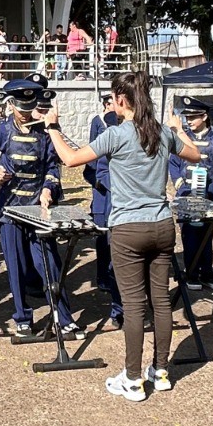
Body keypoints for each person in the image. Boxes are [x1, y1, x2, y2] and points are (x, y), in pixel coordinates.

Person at [41, 70, 201, 401]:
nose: (111, 104)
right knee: (159, 301)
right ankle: (160, 371)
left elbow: (70, 159)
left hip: (129, 228)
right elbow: (195, 155)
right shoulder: (160, 133)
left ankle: (131, 378)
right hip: (162, 226)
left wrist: (53, 128)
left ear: (122, 100)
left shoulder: (116, 134)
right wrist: (178, 129)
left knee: (132, 305)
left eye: (114, 98)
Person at [0, 79, 68, 337]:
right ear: (11, 105)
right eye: (21, 107)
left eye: (30, 107)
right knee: (16, 266)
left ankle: (62, 315)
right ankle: (22, 315)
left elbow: (52, 167)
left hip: (37, 206)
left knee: (48, 262)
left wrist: (48, 189)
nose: (25, 113)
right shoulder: (1, 129)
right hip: (10, 208)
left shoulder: (45, 133)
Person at [170, 96, 213, 292]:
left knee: (206, 235)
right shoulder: (180, 138)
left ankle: (207, 273)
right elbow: (173, 164)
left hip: (208, 197)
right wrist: (180, 186)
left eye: (194, 117)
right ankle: (191, 273)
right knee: (189, 235)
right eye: (187, 118)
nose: (189, 121)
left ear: (204, 117)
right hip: (187, 196)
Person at [85, 90, 123, 328]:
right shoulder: (100, 125)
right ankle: (104, 279)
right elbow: (91, 166)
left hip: (128, 208)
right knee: (104, 242)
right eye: (108, 103)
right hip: (104, 196)